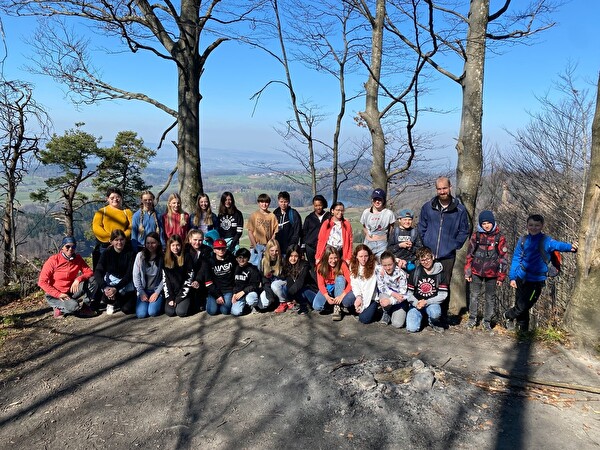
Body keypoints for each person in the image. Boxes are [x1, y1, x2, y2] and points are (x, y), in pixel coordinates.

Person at [503, 214, 577, 332]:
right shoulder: (523, 240)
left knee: (524, 305)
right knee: (521, 305)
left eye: (537, 225)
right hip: (521, 277)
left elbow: (558, 245)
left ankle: (507, 315)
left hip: (536, 281)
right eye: (531, 225)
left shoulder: (546, 241)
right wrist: (512, 277)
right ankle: (523, 332)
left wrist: (570, 247)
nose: (534, 227)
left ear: (542, 226)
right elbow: (516, 258)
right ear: (527, 225)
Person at [418, 177, 469, 286]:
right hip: (428, 255)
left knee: (443, 287)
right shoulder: (427, 207)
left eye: (444, 188)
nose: (442, 192)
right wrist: (426, 243)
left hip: (447, 256)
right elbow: (422, 226)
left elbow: (464, 230)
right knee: (425, 286)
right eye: (439, 189)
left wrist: (454, 245)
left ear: (450, 187)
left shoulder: (459, 210)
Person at [464, 210, 508, 331]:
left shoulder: (500, 237)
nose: (486, 225)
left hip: (492, 274)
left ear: (493, 223)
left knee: (490, 298)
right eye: (484, 223)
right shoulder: (476, 236)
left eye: (489, 223)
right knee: (474, 296)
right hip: (476, 271)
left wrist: (501, 276)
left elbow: (503, 258)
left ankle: (487, 321)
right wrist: (467, 272)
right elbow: (469, 255)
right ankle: (472, 319)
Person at [38, 236, 96, 318]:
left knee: (93, 280)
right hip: (56, 295)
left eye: (73, 247)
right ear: (62, 247)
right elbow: (42, 282)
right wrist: (58, 294)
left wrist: (78, 279)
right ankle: (58, 307)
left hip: (71, 291)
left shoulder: (77, 259)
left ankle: (85, 306)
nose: (70, 249)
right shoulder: (53, 260)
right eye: (67, 246)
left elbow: (89, 272)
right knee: (74, 307)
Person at [94, 229, 136, 315]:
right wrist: (105, 287)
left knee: (127, 309)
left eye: (121, 239)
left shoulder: (131, 253)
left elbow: (129, 275)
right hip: (112, 282)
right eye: (116, 240)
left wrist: (116, 289)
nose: (119, 242)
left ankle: (118, 301)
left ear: (125, 240)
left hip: (126, 283)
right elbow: (98, 271)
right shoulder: (106, 253)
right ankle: (111, 302)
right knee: (106, 296)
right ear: (111, 241)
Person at [405, 247, 447, 333]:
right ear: (419, 261)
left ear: (433, 257)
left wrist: (426, 302)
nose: (426, 262)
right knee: (411, 328)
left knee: (435, 313)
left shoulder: (441, 274)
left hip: (432, 303)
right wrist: (416, 303)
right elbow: (409, 294)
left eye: (428, 259)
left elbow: (443, 295)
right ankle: (422, 318)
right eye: (423, 260)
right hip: (416, 303)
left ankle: (433, 322)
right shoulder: (415, 273)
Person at [91, 187, 133, 269]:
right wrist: (111, 240)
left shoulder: (127, 212)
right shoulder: (101, 212)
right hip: (105, 245)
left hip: (123, 245)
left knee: (122, 269)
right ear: (107, 199)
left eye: (117, 197)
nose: (115, 199)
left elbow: (132, 227)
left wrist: (120, 238)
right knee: (104, 268)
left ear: (121, 198)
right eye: (112, 198)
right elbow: (96, 227)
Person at [313, 245, 355, 321]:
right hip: (328, 288)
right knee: (317, 306)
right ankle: (329, 304)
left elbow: (351, 282)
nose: (333, 260)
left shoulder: (342, 264)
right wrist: (327, 296)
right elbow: (321, 284)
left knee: (340, 278)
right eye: (331, 258)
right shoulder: (320, 266)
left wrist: (342, 295)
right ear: (326, 258)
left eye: (335, 258)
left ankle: (337, 306)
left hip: (339, 286)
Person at [132, 232, 164, 319]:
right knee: (141, 314)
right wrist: (141, 292)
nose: (150, 245)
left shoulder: (162, 257)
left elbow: (164, 277)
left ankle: (160, 302)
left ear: (158, 243)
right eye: (148, 243)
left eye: (153, 243)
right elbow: (136, 276)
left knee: (153, 312)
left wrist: (157, 292)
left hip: (156, 290)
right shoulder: (140, 256)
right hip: (144, 290)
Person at [376, 251, 410, 328]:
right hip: (388, 294)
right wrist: (393, 294)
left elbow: (403, 294)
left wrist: (391, 301)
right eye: (384, 265)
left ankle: (399, 310)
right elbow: (381, 287)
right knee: (383, 297)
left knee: (397, 324)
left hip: (400, 299)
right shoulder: (378, 269)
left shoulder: (401, 273)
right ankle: (386, 312)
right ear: (381, 265)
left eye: (390, 264)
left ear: (394, 263)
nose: (388, 268)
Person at [282, 244, 317, 315]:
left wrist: (288, 297)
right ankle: (300, 303)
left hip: (310, 291)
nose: (293, 259)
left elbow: (300, 282)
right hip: (299, 292)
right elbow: (289, 282)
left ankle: (306, 305)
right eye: (291, 256)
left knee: (301, 289)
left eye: (296, 256)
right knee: (285, 287)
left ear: (299, 256)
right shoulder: (287, 266)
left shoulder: (305, 265)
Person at [205, 238, 237, 316]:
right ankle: (209, 300)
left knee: (225, 311)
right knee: (212, 311)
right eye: (218, 249)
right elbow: (208, 282)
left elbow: (236, 275)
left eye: (223, 248)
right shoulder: (210, 262)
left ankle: (223, 303)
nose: (221, 250)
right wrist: (217, 296)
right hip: (215, 290)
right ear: (214, 250)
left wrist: (235, 292)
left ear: (226, 248)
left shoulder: (231, 259)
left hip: (228, 290)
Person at [315, 202, 353, 266]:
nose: (340, 212)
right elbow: (321, 240)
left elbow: (350, 241)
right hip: (328, 252)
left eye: (342, 210)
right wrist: (318, 257)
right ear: (332, 211)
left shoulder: (347, 224)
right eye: (338, 210)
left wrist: (348, 257)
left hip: (341, 252)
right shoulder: (326, 223)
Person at [360, 188, 395, 258]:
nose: (377, 202)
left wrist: (385, 238)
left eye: (380, 199)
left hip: (382, 244)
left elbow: (391, 228)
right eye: (375, 199)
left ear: (383, 200)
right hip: (368, 243)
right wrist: (368, 234)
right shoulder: (366, 212)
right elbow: (364, 226)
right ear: (372, 200)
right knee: (367, 265)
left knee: (381, 265)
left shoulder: (389, 213)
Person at [350, 244, 379, 324]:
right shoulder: (353, 265)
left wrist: (363, 306)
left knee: (364, 319)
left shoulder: (375, 266)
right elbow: (354, 284)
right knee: (347, 300)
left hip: (371, 297)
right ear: (356, 256)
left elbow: (369, 290)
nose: (363, 259)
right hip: (359, 294)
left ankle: (372, 310)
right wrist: (358, 297)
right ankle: (356, 309)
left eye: (366, 256)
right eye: (361, 256)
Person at [247, 193, 278, 267]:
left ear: (269, 203)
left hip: (267, 246)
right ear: (258, 203)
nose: (264, 204)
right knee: (254, 267)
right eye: (262, 202)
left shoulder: (272, 216)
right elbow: (250, 232)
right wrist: (255, 246)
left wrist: (269, 245)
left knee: (266, 267)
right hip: (255, 246)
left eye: (266, 202)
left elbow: (275, 232)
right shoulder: (254, 215)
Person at [185, 229, 212, 312]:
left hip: (201, 279)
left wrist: (197, 280)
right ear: (190, 239)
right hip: (188, 278)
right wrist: (191, 280)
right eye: (195, 240)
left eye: (200, 240)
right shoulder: (185, 250)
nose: (197, 242)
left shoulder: (207, 250)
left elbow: (204, 267)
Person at [302, 195, 330, 269]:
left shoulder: (329, 217)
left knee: (324, 268)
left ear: (323, 204)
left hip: (325, 247)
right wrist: (303, 249)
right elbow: (304, 233)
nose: (318, 207)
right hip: (311, 248)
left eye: (320, 205)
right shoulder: (309, 218)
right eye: (316, 205)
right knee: (313, 268)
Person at [259, 239, 288, 312]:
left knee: (275, 285)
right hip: (270, 286)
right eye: (272, 250)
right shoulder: (263, 261)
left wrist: (274, 273)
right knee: (262, 304)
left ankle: (283, 302)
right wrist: (269, 294)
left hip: (282, 284)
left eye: (276, 250)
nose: (274, 253)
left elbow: (286, 277)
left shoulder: (283, 259)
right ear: (268, 250)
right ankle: (275, 301)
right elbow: (264, 280)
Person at [231, 247, 261, 316]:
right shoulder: (234, 269)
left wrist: (244, 291)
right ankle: (246, 307)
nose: (242, 260)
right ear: (236, 258)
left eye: (244, 257)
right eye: (239, 257)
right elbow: (233, 283)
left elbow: (255, 285)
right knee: (235, 312)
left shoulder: (253, 269)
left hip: (249, 292)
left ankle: (254, 306)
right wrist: (234, 293)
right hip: (239, 294)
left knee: (251, 299)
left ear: (248, 258)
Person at [273, 191, 302, 257]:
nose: (283, 204)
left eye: (285, 202)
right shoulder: (275, 214)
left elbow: (297, 232)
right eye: (281, 201)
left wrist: (291, 247)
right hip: (277, 249)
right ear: (278, 201)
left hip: (289, 250)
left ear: (288, 202)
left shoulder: (293, 214)